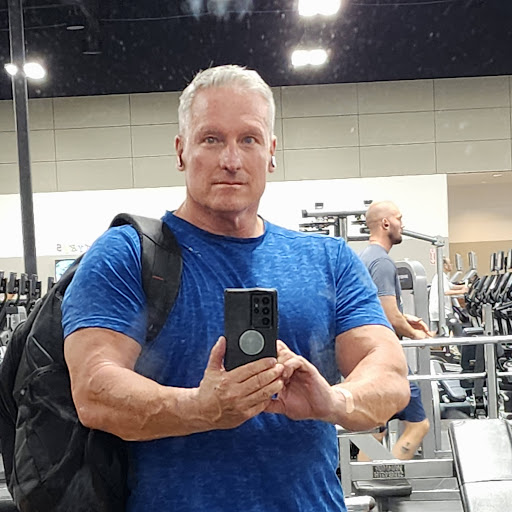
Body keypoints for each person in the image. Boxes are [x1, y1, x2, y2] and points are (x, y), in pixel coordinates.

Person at [61, 65, 410, 512]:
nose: (231, 159)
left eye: (249, 139)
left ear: (271, 152)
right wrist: (201, 408)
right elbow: (94, 390)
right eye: (211, 139)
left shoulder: (330, 260)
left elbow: (390, 375)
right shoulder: (126, 253)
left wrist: (334, 400)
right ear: (181, 151)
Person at [359, 200, 430, 461]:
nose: (403, 224)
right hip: (386, 359)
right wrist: (417, 336)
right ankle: (386, 477)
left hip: (370, 357)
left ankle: (366, 481)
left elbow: (374, 307)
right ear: (386, 223)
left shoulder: (365, 257)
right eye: (399, 218)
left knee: (377, 430)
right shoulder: (382, 262)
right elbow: (389, 315)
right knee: (418, 425)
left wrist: (405, 318)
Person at [429, 256, 468, 334]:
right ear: (445, 265)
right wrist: (462, 291)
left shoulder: (442, 276)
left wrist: (465, 286)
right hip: (442, 311)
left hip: (437, 310)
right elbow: (445, 292)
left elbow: (451, 286)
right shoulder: (441, 277)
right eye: (450, 263)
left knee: (435, 332)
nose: (451, 265)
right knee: (456, 328)